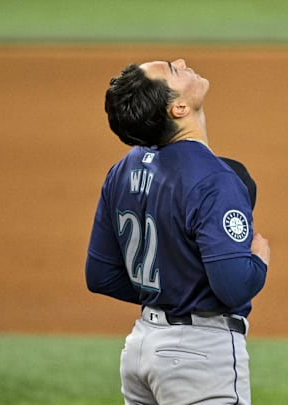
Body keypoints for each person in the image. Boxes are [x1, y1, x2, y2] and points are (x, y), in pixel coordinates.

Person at [85, 58, 271, 405]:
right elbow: (233, 286)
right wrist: (259, 261)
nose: (183, 63)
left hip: (141, 347)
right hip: (198, 359)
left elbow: (101, 275)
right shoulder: (214, 180)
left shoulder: (121, 171)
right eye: (172, 69)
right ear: (178, 107)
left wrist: (169, 290)